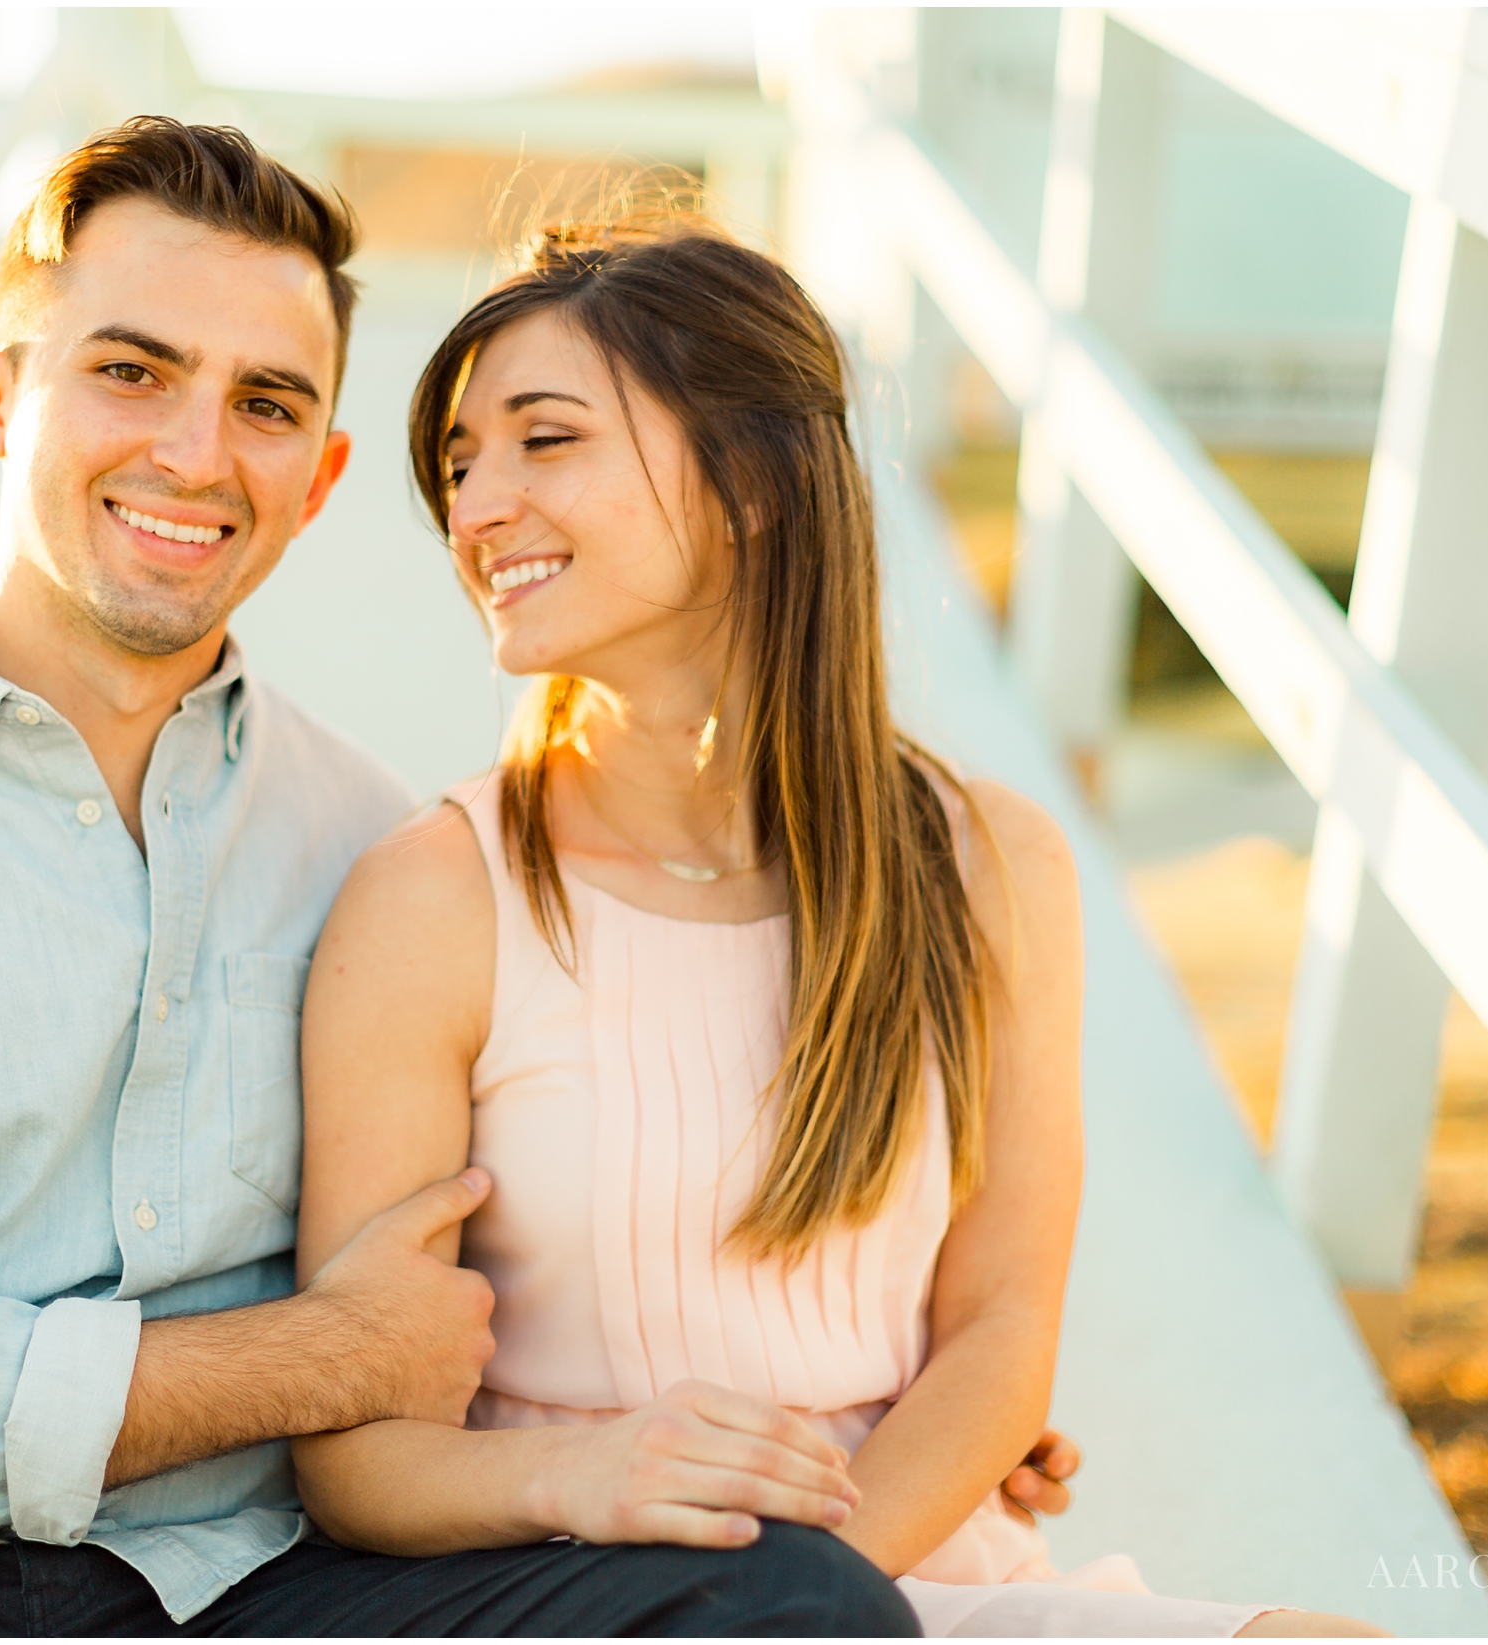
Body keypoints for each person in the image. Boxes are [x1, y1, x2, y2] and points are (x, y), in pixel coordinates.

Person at [0, 120, 919, 1638]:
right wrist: (315, 1356)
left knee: (779, 1598)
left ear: (322, 473)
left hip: (265, 1589)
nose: (196, 455)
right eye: (131, 371)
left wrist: (858, 1414)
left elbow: (503, 1263)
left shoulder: (373, 840)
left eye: (264, 404)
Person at [287, 207, 1394, 1638]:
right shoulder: (435, 897)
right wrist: (610, 1491)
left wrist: (817, 1594)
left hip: (907, 1565)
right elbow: (357, 1457)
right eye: (459, 461)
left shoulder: (986, 859)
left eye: (543, 440)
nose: (476, 505)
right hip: (599, 1587)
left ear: (748, 481)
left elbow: (1000, 1332)